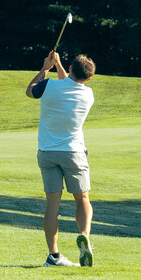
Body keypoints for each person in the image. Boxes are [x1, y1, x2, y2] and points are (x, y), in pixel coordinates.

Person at [28, 50, 97, 267]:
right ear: (88, 78)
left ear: (70, 68)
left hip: (47, 153)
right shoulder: (88, 94)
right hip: (73, 153)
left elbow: (30, 91)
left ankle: (53, 256)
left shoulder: (49, 86)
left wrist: (45, 69)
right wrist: (57, 66)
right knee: (82, 198)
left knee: (52, 206)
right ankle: (84, 234)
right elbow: (69, 85)